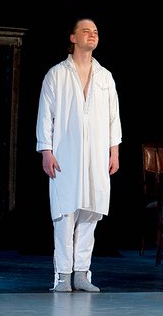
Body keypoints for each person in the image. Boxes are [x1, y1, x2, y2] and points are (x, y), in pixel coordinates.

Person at [36, 17, 122, 293]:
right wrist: (46, 150)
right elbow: (45, 115)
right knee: (65, 214)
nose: (92, 35)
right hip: (65, 154)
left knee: (90, 213)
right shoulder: (56, 74)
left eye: (95, 31)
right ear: (73, 38)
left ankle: (82, 273)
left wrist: (114, 151)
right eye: (86, 31)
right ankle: (63, 274)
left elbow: (113, 117)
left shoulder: (105, 76)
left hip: (97, 154)